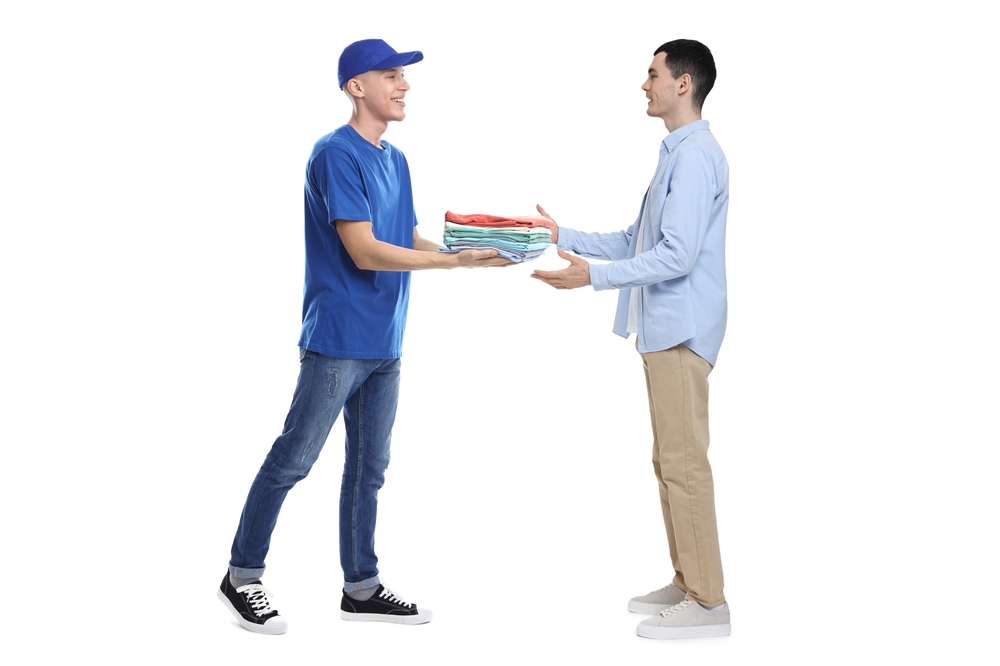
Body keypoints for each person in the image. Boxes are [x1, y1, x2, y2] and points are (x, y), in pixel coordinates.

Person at [217, 38, 510, 635]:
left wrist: (470, 253)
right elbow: (365, 250)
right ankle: (241, 576)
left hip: (386, 341)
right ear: (357, 86)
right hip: (338, 338)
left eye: (404, 76)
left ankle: (362, 587)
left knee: (369, 469)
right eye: (391, 75)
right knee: (294, 459)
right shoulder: (334, 154)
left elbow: (404, 237)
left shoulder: (395, 159)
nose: (405, 86)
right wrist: (454, 265)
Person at [531, 39, 731, 640]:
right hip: (663, 330)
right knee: (668, 460)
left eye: (653, 74)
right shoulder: (677, 153)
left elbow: (677, 256)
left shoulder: (695, 157)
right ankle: (688, 579)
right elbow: (634, 239)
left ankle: (708, 602)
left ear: (683, 83)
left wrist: (592, 278)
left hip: (682, 329)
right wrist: (561, 235)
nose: (644, 85)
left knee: (684, 463)